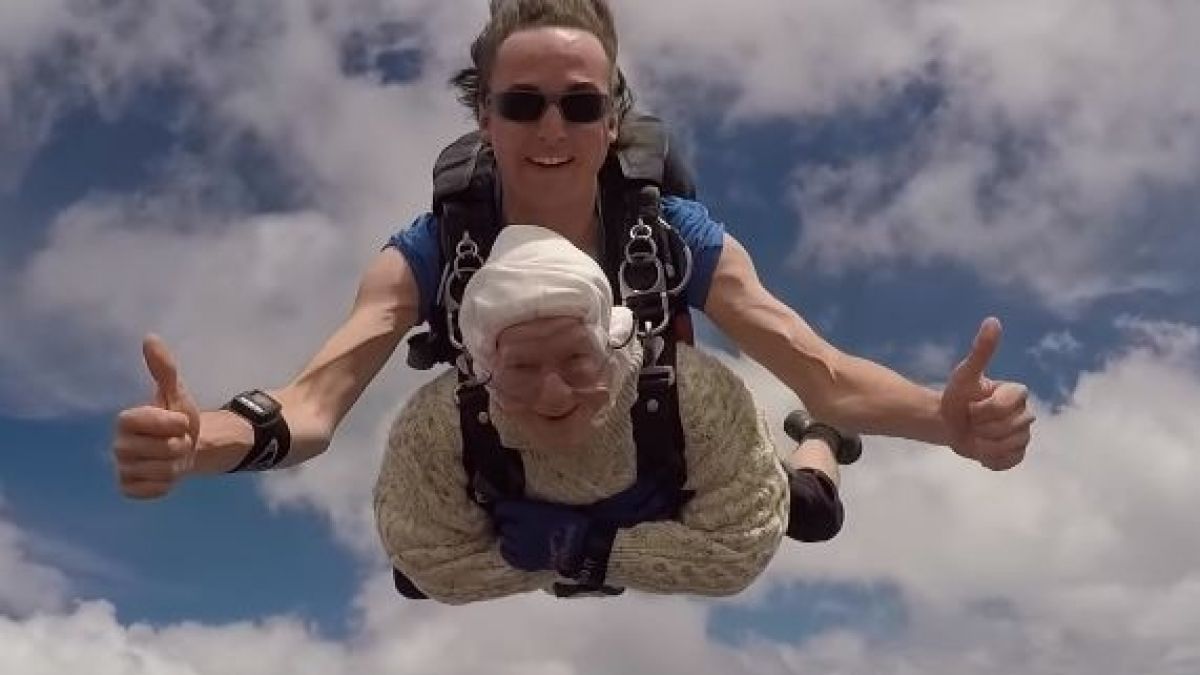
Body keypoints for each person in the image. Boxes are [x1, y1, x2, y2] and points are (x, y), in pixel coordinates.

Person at [111, 0, 1032, 515]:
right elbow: (314, 403)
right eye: (522, 105)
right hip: (523, 442)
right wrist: (207, 444)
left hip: (649, 429)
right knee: (436, 559)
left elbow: (820, 370)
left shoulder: (675, 234)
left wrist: (940, 419)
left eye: (581, 106)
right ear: (484, 116)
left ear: (615, 118)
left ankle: (820, 460)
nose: (552, 129)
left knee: (807, 511)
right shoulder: (434, 247)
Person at [374, 224, 843, 603]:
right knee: (409, 582)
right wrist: (577, 553)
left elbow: (739, 550)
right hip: (573, 520)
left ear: (612, 344)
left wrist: (589, 551)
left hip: (679, 484)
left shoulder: (695, 393)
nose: (554, 396)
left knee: (814, 513)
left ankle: (822, 435)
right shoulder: (438, 425)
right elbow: (434, 566)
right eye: (521, 368)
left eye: (576, 360)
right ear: (482, 371)